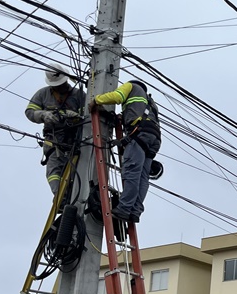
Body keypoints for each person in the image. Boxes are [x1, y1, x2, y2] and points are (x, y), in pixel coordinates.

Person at [90, 79, 162, 223]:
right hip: (154, 138)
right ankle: (135, 211)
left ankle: (124, 209)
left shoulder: (131, 86)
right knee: (143, 177)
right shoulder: (150, 102)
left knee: (132, 173)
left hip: (139, 134)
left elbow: (117, 97)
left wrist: (97, 100)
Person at [25, 64, 86, 196]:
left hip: (75, 140)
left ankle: (75, 197)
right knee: (54, 172)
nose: (61, 87)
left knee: (78, 173)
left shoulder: (78, 94)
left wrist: (75, 117)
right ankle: (61, 198)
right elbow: (30, 112)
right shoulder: (43, 94)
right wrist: (43, 115)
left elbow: (87, 118)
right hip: (54, 141)